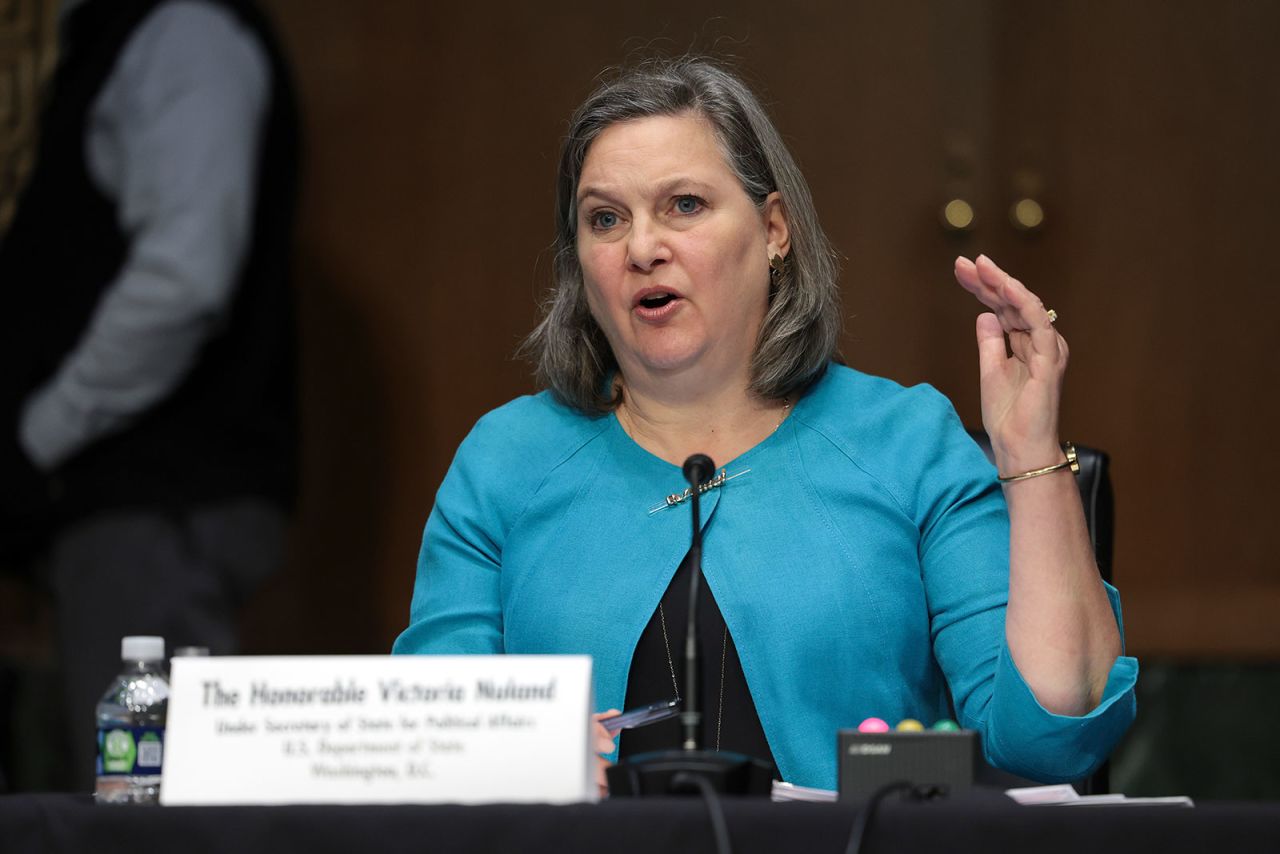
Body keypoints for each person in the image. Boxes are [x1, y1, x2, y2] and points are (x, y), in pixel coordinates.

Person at [392, 57, 1136, 791]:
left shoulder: (906, 443)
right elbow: (423, 747)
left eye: (684, 205)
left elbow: (1051, 734)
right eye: (605, 218)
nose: (643, 248)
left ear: (774, 229)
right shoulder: (507, 461)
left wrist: (1029, 453)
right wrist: (515, 751)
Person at [0, 0, 298, 790]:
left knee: (148, 814)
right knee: (116, 807)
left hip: (153, 517)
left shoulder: (182, 30)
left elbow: (183, 280)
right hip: (111, 518)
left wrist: (33, 442)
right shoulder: (104, 38)